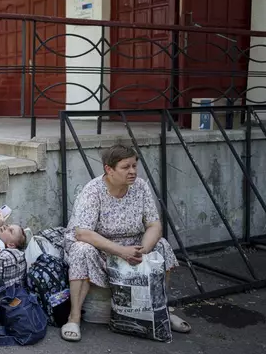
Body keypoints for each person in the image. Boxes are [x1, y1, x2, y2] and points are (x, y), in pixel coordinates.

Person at [61, 144, 191, 342]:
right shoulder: (93, 191)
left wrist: (144, 250)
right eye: (126, 167)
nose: (132, 172)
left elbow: (154, 225)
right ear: (109, 169)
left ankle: (161, 310)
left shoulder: (140, 186)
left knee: (162, 244)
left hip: (133, 246)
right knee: (81, 250)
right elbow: (82, 233)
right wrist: (122, 251)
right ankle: (74, 317)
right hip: (101, 248)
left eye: (134, 166)